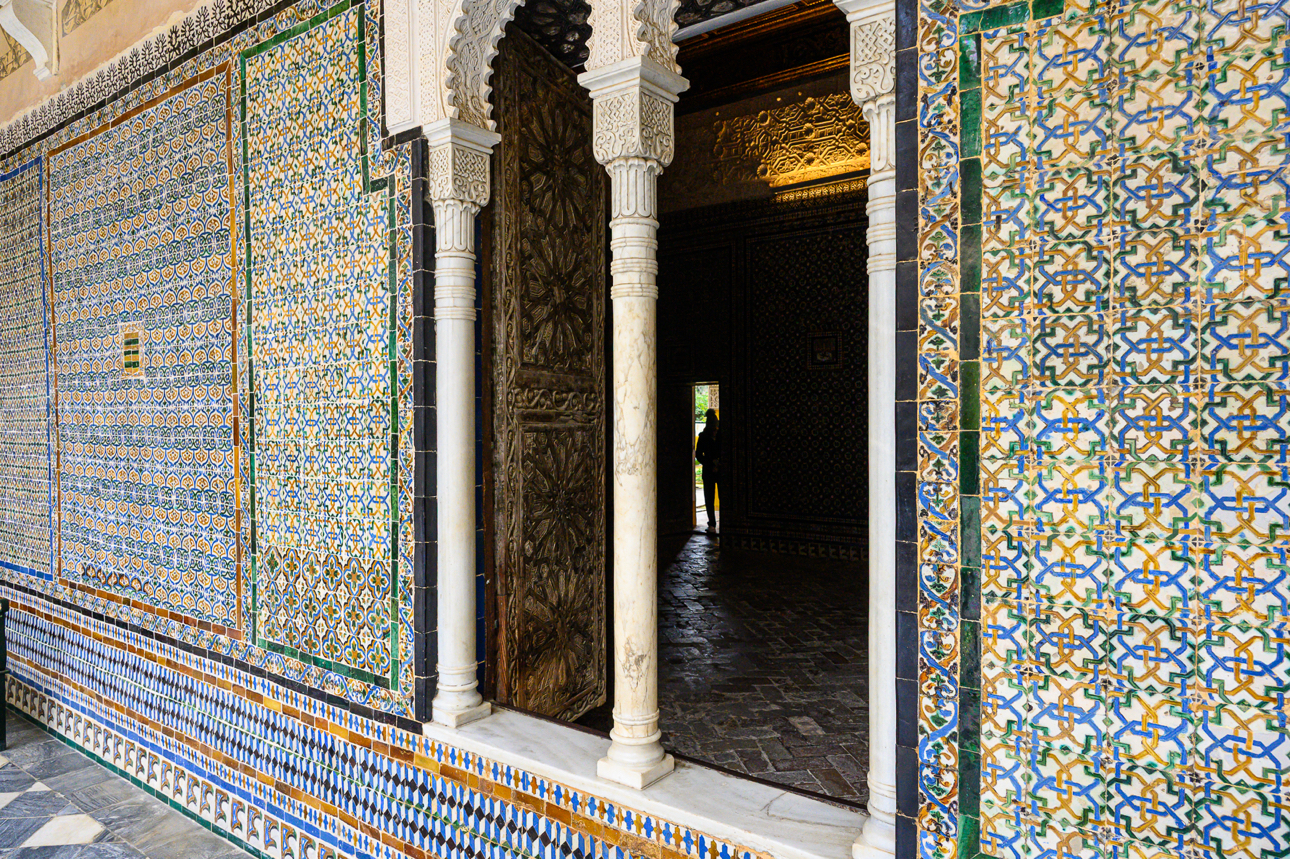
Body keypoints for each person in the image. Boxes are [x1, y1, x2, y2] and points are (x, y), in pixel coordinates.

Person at [694, 409, 720, 533]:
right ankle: (712, 524)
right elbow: (699, 455)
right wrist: (710, 462)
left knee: (715, 497)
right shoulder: (704, 436)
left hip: (717, 470)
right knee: (709, 498)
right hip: (710, 470)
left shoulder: (719, 435)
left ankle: (713, 525)